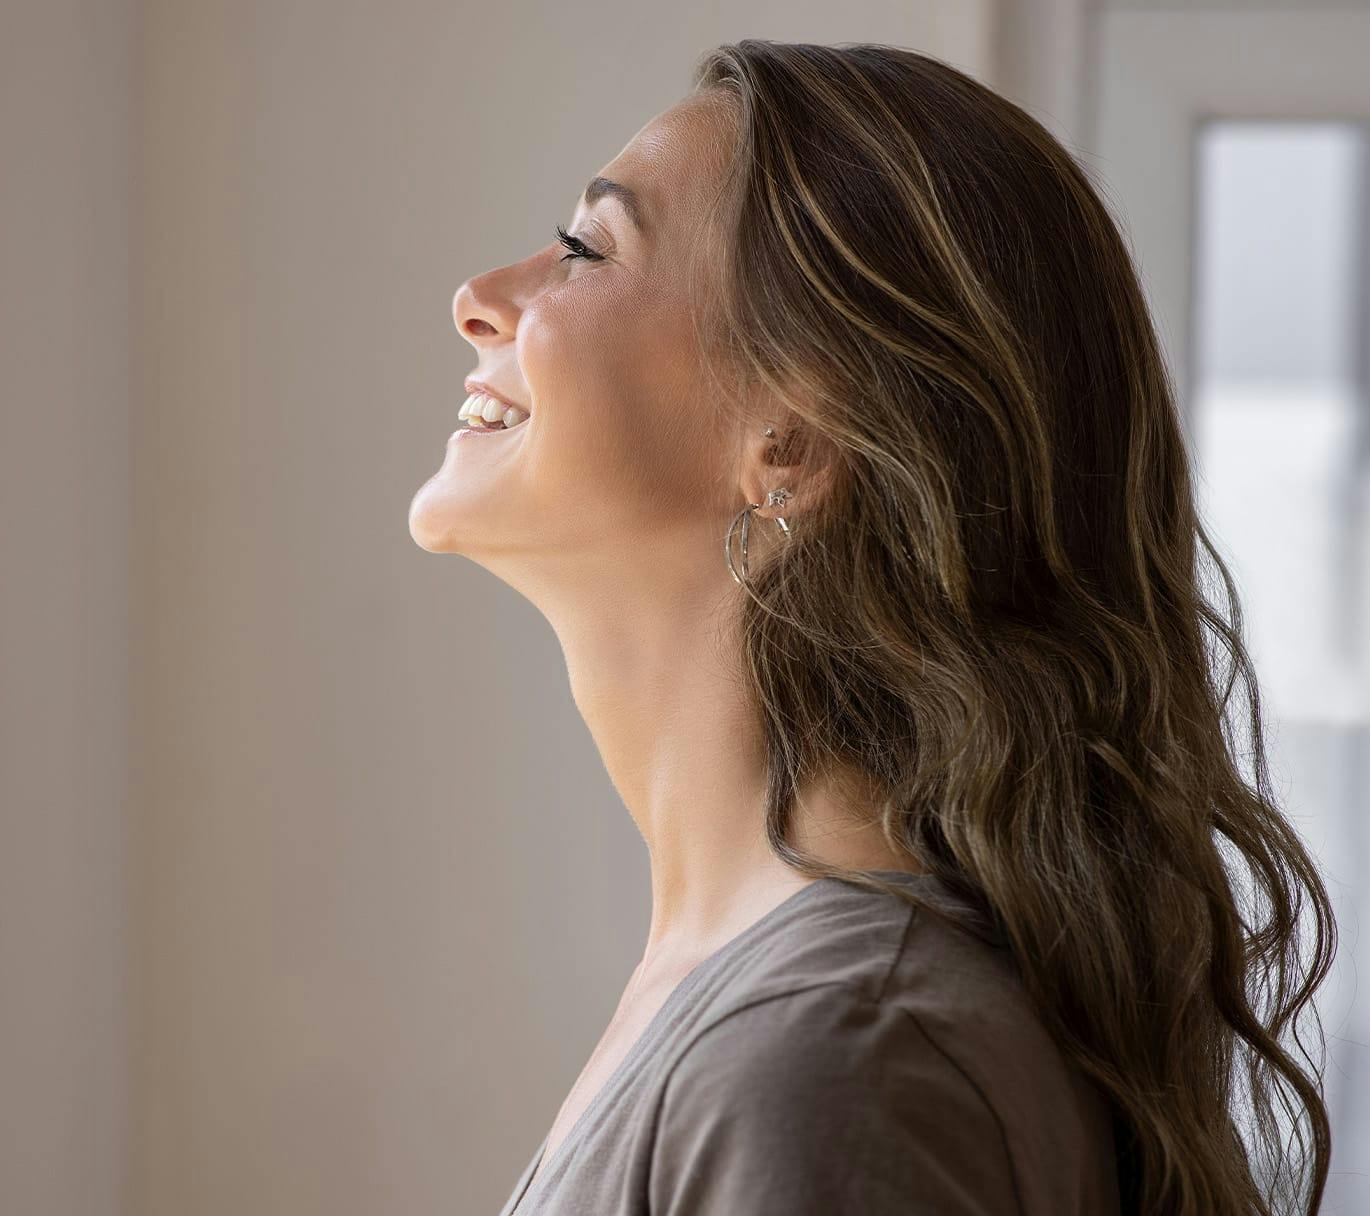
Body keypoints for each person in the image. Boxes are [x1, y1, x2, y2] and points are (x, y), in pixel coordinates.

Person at [409, 38, 1335, 1216]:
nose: (479, 297)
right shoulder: (781, 1005)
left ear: (791, 442)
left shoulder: (832, 1055)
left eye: (585, 249)